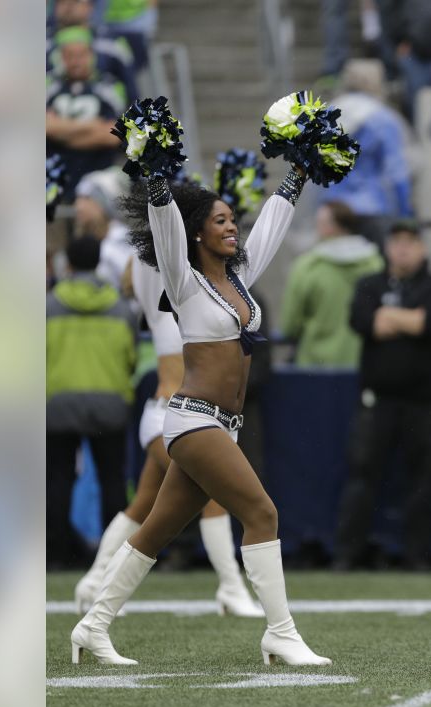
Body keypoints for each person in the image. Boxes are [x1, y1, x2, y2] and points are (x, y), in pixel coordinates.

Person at [71, 160, 332, 666]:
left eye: (233, 218)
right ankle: (281, 632)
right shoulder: (184, 282)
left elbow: (274, 226)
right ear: (196, 233)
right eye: (219, 220)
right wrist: (156, 176)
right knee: (262, 513)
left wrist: (298, 173)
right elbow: (165, 224)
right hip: (193, 419)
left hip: (222, 427)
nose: (232, 226)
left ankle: (93, 625)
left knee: (154, 530)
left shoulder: (239, 278)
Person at [73, 252, 265, 618]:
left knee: (144, 503)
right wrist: (161, 204)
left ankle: (95, 581)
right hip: (167, 418)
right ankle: (231, 587)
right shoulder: (163, 301)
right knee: (212, 497)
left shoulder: (203, 299)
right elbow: (158, 239)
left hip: (192, 420)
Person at [334, 221, 431, 571]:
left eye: (410, 242)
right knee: (361, 476)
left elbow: (429, 324)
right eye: (397, 241)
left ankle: (418, 555)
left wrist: (389, 317)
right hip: (377, 399)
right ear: (387, 248)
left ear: (423, 248)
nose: (403, 249)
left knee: (424, 480)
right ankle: (346, 553)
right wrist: (406, 319)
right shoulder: (368, 284)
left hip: (424, 401)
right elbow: (362, 322)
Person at [46, 235, 136, 570]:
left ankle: (55, 555)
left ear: (67, 262)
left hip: (57, 404)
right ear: (99, 260)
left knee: (57, 479)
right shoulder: (118, 306)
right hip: (109, 403)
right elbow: (129, 356)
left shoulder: (48, 305)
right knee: (112, 479)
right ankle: (111, 557)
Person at [280, 201, 385, 369]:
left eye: (319, 224)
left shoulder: (307, 267)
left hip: (314, 365)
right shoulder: (376, 264)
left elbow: (290, 325)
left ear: (330, 227)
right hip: (365, 362)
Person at [320, 60, 413, 248]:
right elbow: (396, 172)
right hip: (372, 206)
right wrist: (405, 212)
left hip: (333, 208)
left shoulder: (327, 115)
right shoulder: (382, 117)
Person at [45, 27, 126, 187]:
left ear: (91, 55)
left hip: (98, 175)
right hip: (51, 175)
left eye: (81, 55)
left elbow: (113, 135)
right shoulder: (48, 84)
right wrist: (91, 126)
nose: (75, 62)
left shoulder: (110, 85)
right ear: (60, 57)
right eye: (69, 56)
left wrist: (61, 133)